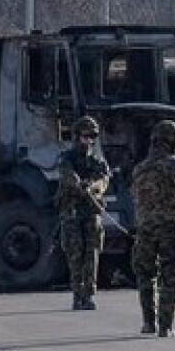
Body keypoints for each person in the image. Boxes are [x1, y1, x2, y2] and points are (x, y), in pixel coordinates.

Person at [131, 120, 175, 337]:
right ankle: (166, 326)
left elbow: (136, 199)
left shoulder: (139, 169)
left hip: (145, 230)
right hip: (170, 228)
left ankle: (148, 323)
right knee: (170, 276)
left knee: (145, 276)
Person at [56, 115, 110, 310]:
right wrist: (79, 186)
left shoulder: (97, 161)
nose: (89, 141)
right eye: (85, 136)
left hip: (91, 211)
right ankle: (77, 293)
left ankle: (88, 294)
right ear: (77, 136)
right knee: (75, 253)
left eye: (92, 136)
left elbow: (103, 180)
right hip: (72, 210)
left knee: (92, 252)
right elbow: (67, 175)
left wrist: (93, 187)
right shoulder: (66, 158)